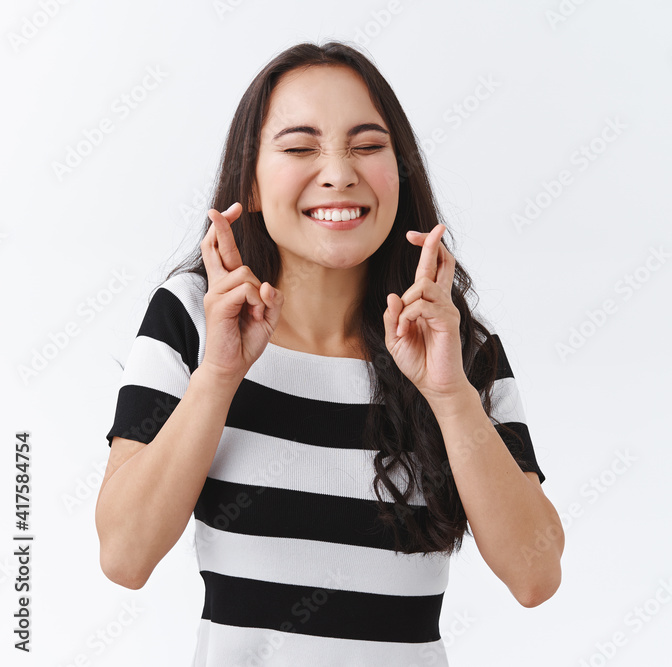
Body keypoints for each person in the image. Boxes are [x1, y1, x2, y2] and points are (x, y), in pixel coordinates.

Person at [94, 41, 563, 666]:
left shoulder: (455, 345)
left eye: (368, 146)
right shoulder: (194, 318)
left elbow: (536, 576)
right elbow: (125, 557)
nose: (339, 172)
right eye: (299, 147)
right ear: (250, 185)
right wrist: (219, 378)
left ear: (402, 173)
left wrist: (449, 398)